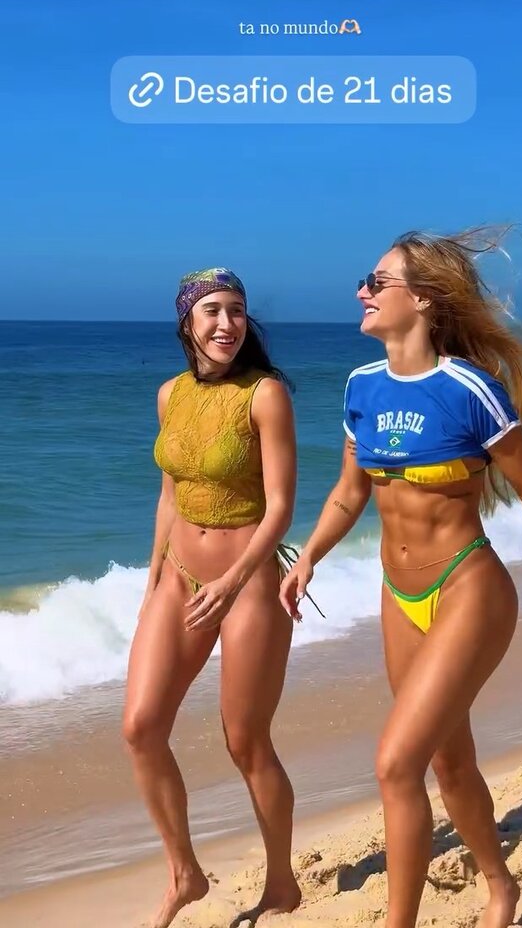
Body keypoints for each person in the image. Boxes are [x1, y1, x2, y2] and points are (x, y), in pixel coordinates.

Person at [279, 229, 522, 928]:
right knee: (448, 762)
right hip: (399, 596)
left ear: (421, 299)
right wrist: (309, 557)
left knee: (395, 762)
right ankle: (500, 887)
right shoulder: (361, 386)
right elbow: (349, 494)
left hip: (467, 586)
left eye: (376, 281)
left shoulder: (469, 389)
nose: (361, 292)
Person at [123, 267, 301, 928]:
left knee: (246, 741)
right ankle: (185, 874)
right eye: (213, 311)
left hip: (248, 581)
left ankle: (281, 885)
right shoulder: (169, 395)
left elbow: (280, 508)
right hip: (179, 576)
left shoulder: (265, 395)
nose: (227, 324)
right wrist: (152, 582)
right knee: (141, 728)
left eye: (237, 311)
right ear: (187, 323)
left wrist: (232, 581)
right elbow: (169, 495)